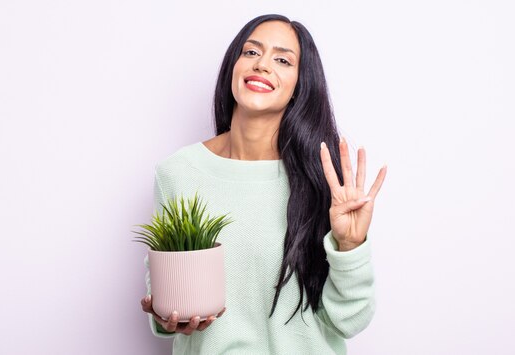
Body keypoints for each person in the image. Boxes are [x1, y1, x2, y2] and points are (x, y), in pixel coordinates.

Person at [140, 14, 387, 354]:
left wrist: (350, 246)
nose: (262, 65)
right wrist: (168, 315)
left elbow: (348, 320)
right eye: (252, 53)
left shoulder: (323, 181)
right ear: (234, 66)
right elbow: (166, 295)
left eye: (283, 60)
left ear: (300, 85)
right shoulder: (178, 172)